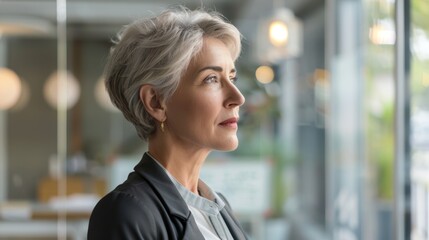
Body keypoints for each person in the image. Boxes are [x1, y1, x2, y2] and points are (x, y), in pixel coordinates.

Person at [88, 6, 248, 240]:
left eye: (231, 77)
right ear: (156, 102)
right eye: (211, 79)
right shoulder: (126, 213)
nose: (238, 98)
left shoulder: (220, 208)